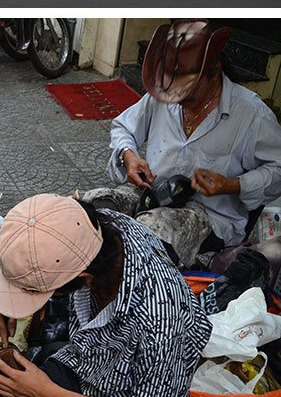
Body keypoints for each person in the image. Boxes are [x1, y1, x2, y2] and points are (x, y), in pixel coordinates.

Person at [0, 194, 211, 397]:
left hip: (117, 396)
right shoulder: (89, 225)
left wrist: (50, 394)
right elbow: (43, 243)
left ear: (84, 278)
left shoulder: (159, 315)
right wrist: (4, 301)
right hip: (86, 359)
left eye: (36, 290)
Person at [82, 20, 281, 267]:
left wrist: (233, 184)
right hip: (155, 193)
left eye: (188, 92)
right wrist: (128, 156)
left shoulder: (252, 115)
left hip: (209, 216)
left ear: (214, 71)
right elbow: (124, 127)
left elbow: (278, 170)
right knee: (90, 207)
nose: (178, 100)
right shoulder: (164, 95)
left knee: (146, 233)